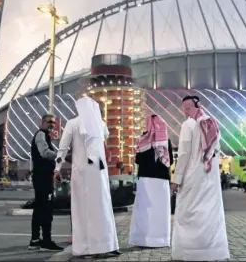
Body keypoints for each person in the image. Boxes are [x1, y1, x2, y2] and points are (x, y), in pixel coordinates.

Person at [55, 96, 121, 259]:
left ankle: (86, 248)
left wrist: (57, 168)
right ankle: (106, 244)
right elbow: (105, 136)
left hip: (82, 171)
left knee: (82, 209)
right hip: (98, 167)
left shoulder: (73, 123)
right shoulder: (100, 124)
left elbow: (62, 148)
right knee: (102, 206)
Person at [170, 95, 230, 261]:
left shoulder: (188, 124)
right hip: (210, 178)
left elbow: (183, 154)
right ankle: (212, 251)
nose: (185, 111)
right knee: (209, 213)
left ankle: (189, 252)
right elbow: (215, 150)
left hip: (192, 176)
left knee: (187, 213)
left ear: (195, 106)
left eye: (187, 107)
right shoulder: (212, 123)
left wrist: (177, 179)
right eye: (183, 107)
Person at [129, 114, 173, 248]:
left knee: (144, 210)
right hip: (162, 180)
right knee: (160, 210)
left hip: (145, 179)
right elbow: (170, 160)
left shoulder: (142, 139)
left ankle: (143, 239)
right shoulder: (166, 140)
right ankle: (160, 239)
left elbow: (137, 160)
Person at [28, 113, 63, 252]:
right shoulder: (41, 135)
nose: (52, 125)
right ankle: (46, 242)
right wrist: (61, 156)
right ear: (41, 122)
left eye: (53, 123)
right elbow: (44, 153)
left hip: (42, 177)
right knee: (46, 210)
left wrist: (55, 171)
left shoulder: (44, 136)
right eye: (49, 122)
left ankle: (35, 240)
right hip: (42, 178)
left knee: (39, 208)